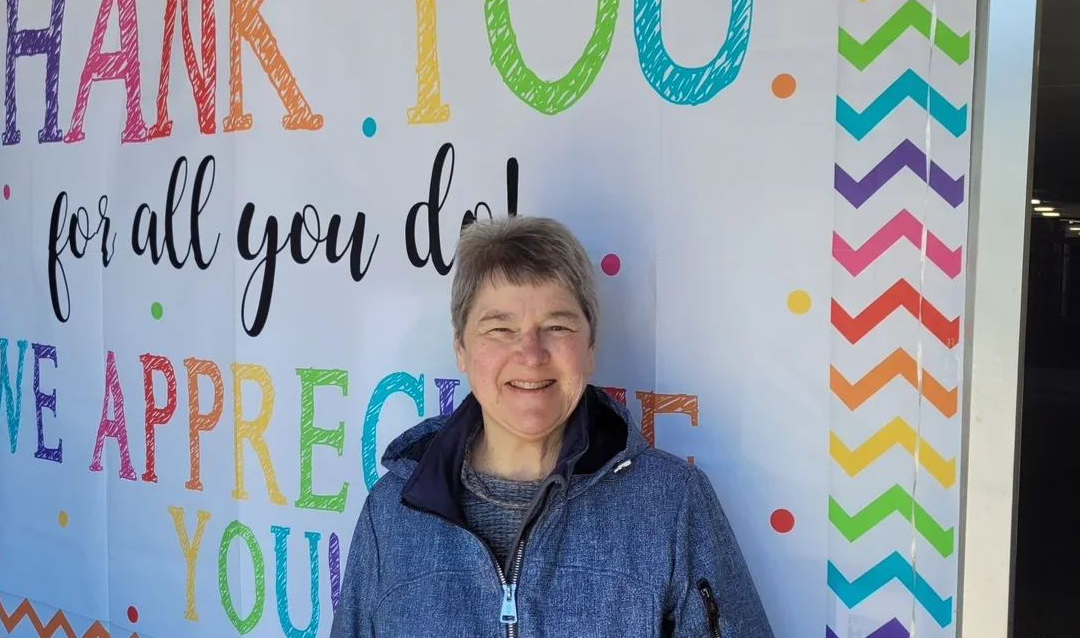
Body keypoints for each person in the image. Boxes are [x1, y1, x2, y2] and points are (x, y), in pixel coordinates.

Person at [331, 215, 773, 637]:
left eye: (556, 326)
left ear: (590, 346)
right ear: (461, 349)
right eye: (500, 328)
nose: (531, 353)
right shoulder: (391, 511)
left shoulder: (673, 503)